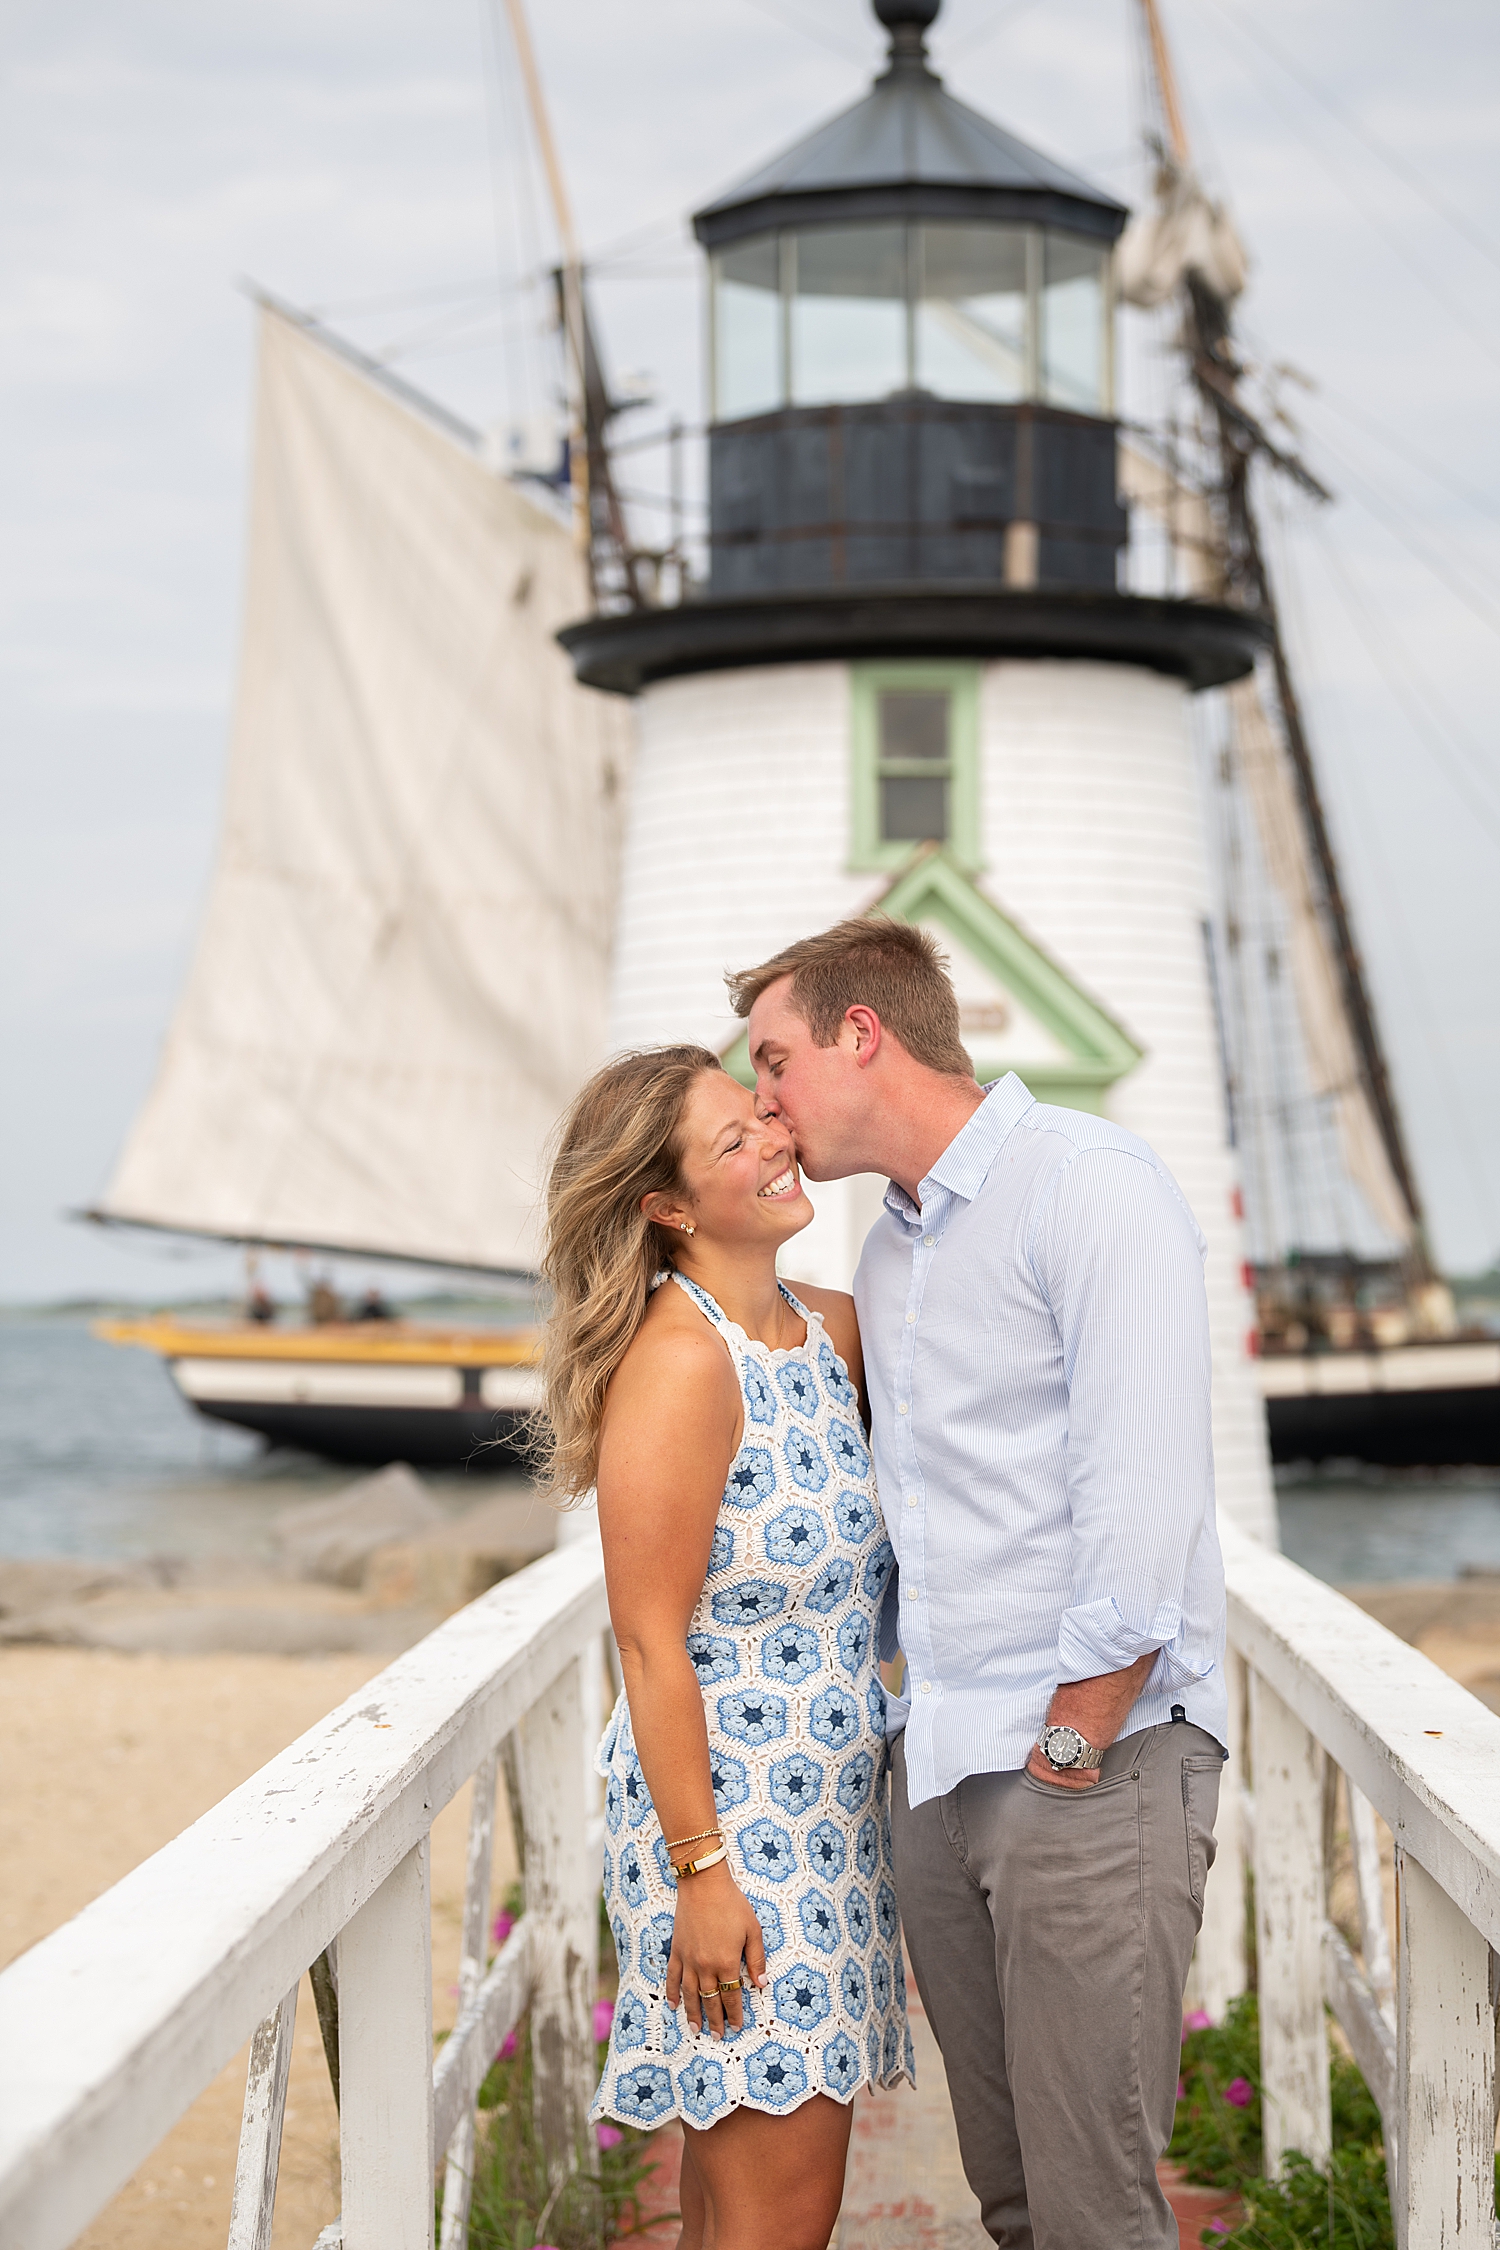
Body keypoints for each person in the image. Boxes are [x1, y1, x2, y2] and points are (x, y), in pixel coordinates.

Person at [727, 918, 1228, 2250]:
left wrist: (1069, 1744)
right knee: (1012, 2204)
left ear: (860, 1031)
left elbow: (1148, 1493)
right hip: (943, 1771)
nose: (764, 1097)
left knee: (1093, 2212)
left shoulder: (1090, 1184)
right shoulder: (891, 1251)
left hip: (1090, 1763)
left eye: (774, 1058)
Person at [537, 1046, 912, 2250]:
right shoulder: (681, 1364)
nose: (774, 1143)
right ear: (667, 1207)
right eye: (732, 1143)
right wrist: (703, 1873)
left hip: (835, 1821)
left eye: (764, 1118)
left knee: (742, 2209)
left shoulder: (835, 1333)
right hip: (737, 1831)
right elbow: (649, 1646)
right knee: (779, 2216)